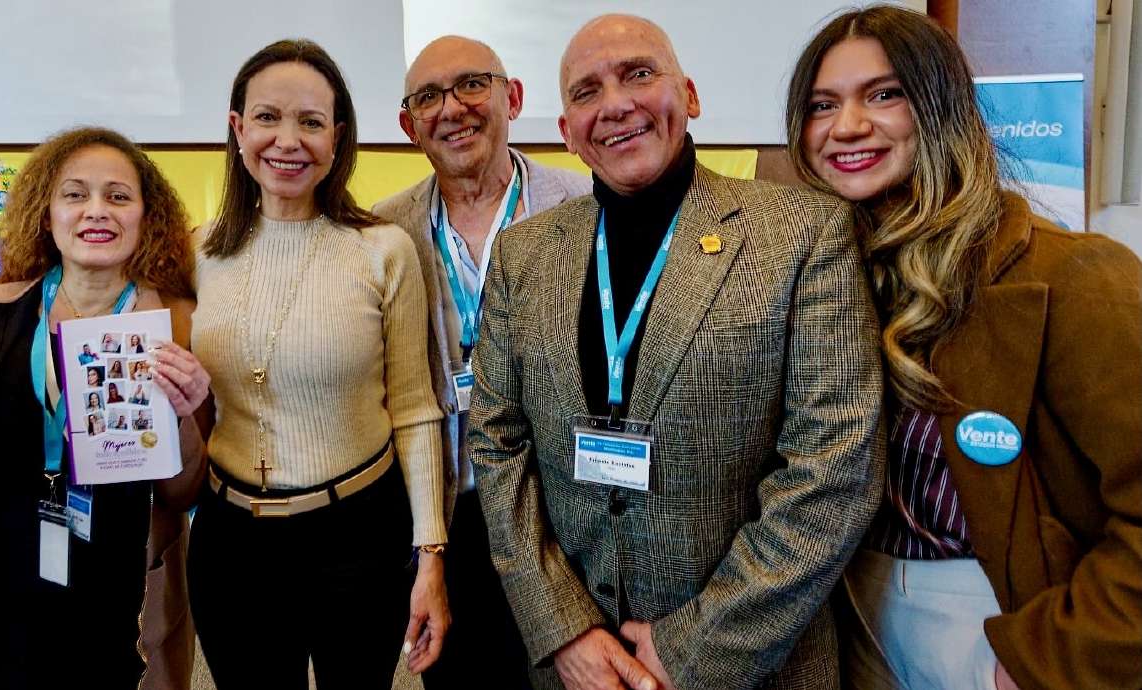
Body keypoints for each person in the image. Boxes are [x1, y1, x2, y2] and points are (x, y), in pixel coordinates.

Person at [467, 14, 885, 690]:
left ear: (688, 95)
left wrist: (691, 648)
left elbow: (835, 468)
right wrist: (561, 628)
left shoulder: (802, 233)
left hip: (755, 663)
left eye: (638, 73)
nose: (617, 104)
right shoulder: (524, 254)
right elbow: (496, 441)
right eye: (586, 91)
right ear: (569, 133)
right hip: (580, 664)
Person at [784, 7, 1142, 689]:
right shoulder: (819, 281)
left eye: (884, 94)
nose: (847, 125)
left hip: (1005, 624)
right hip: (849, 620)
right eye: (821, 105)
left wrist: (1053, 657)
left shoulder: (1076, 275)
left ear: (942, 107)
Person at [187, 38, 448, 689]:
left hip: (359, 536)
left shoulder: (381, 250)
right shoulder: (196, 252)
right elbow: (92, 286)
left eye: (310, 122)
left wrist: (431, 555)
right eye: (268, 118)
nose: (288, 140)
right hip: (231, 541)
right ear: (237, 130)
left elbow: (415, 410)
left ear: (337, 138)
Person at [0, 127, 212, 690]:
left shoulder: (180, 326)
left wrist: (182, 413)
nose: (96, 210)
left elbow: (184, 495)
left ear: (147, 216)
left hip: (125, 624)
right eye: (75, 194)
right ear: (45, 214)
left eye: (118, 196)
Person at [372, 35, 589, 689]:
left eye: (472, 84)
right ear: (409, 125)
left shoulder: (585, 206)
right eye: (429, 97)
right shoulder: (384, 232)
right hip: (445, 511)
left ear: (512, 97)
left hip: (559, 510)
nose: (452, 108)